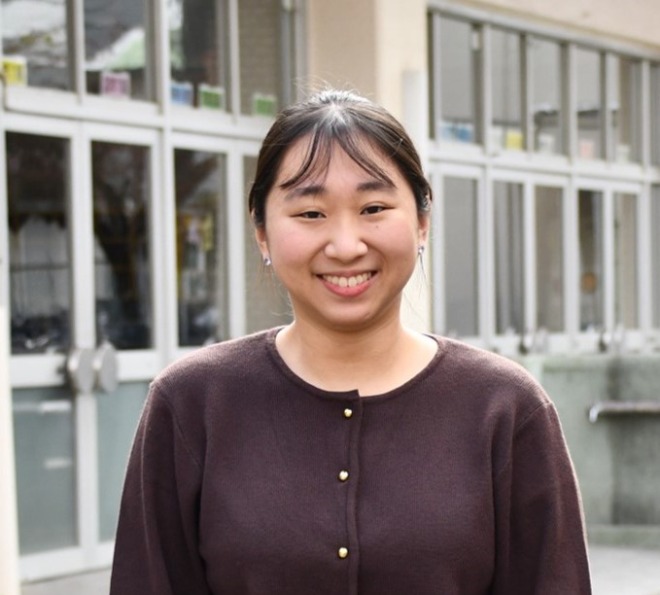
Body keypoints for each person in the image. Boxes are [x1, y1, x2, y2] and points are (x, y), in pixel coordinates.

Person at [110, 89, 592, 594]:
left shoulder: (504, 407)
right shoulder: (193, 402)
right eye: (310, 214)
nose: (345, 246)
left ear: (422, 222)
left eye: (373, 207)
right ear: (262, 233)